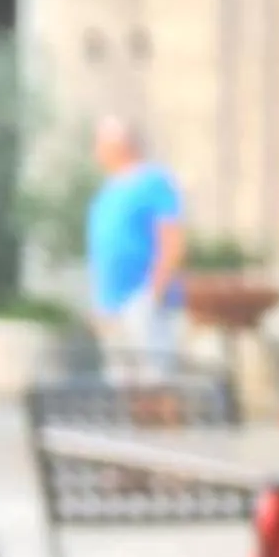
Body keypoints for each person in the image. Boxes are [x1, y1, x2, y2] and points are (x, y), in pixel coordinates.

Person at [86, 116, 187, 375]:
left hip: (144, 300)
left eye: (100, 143)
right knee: (122, 379)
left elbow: (172, 240)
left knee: (155, 380)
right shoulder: (108, 190)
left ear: (121, 145)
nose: (96, 151)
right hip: (111, 304)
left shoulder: (154, 182)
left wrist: (153, 294)